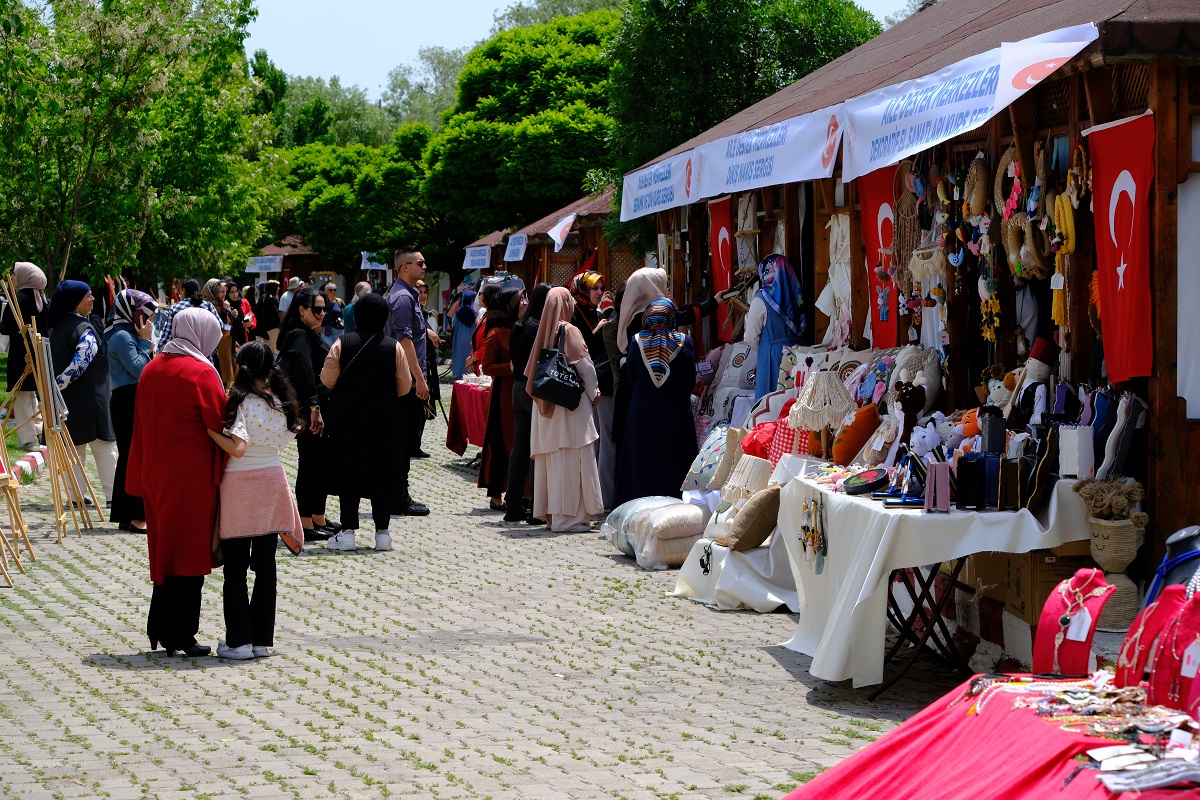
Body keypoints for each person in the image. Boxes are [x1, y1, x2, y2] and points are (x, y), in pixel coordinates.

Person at [128, 308, 227, 657]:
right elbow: (220, 421)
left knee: (165, 547)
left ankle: (161, 628)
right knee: (188, 551)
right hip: (191, 476)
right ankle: (181, 634)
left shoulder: (153, 366)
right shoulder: (201, 372)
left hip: (156, 473)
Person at [207, 341, 304, 660]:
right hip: (273, 481)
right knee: (266, 565)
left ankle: (238, 641)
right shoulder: (280, 400)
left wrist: (210, 432)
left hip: (240, 483)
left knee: (235, 567)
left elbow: (237, 448)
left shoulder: (240, 399)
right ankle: (261, 639)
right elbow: (288, 437)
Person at [320, 294, 412, 552]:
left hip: (347, 419)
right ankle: (382, 534)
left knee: (349, 470)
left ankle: (348, 532)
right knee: (381, 472)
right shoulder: (394, 346)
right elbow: (405, 387)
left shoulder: (342, 342)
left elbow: (327, 380)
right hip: (384, 419)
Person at [525, 287, 603, 532]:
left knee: (552, 464)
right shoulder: (569, 330)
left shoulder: (544, 331)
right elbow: (586, 368)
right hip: (569, 409)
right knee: (571, 462)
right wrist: (594, 392)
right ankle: (569, 520)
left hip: (546, 408)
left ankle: (553, 517)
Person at [614, 298, 698, 506]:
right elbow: (690, 378)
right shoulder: (683, 341)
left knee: (641, 458)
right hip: (676, 410)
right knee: (674, 457)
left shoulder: (636, 341)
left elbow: (632, 377)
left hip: (642, 409)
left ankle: (636, 505)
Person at [45, 281, 118, 508]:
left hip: (72, 400)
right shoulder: (82, 329)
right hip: (90, 398)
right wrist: (59, 384)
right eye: (88, 296)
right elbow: (82, 360)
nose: (93, 298)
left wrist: (55, 388)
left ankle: (76, 496)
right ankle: (113, 496)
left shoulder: (59, 327)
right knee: (104, 448)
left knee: (74, 448)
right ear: (76, 301)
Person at [276, 287, 340, 539]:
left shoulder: (309, 334)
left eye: (324, 308)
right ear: (302, 310)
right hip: (310, 410)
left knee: (320, 464)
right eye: (317, 309)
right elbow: (303, 375)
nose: (323, 313)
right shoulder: (299, 335)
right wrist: (314, 407)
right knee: (311, 465)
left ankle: (317, 517)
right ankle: (305, 523)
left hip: (319, 408)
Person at [101, 289, 156, 532]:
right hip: (126, 399)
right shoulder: (122, 336)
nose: (148, 320)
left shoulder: (127, 333)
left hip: (133, 398)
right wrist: (146, 341)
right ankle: (134, 516)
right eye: (144, 314)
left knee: (132, 456)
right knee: (132, 456)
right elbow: (139, 370)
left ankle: (128, 515)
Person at [384, 246, 431, 517]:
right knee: (402, 441)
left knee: (404, 440)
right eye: (420, 263)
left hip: (407, 379)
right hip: (405, 382)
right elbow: (404, 340)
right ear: (405, 267)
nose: (424, 267)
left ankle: (400, 494)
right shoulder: (402, 298)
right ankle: (398, 498)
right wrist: (419, 378)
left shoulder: (407, 296)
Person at [503, 283, 550, 525]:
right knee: (535, 449)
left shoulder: (518, 326)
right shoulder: (536, 328)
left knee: (520, 448)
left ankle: (513, 505)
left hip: (517, 387)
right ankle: (534, 506)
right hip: (532, 389)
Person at [569, 271, 616, 509]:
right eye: (594, 289)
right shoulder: (573, 312)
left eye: (601, 288)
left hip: (596, 382)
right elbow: (580, 347)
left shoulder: (596, 312)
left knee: (598, 440)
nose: (598, 293)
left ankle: (595, 494)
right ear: (582, 290)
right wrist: (599, 330)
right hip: (579, 384)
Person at [477, 287, 524, 510]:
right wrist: (511, 367)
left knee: (517, 442)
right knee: (500, 442)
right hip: (501, 395)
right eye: (519, 301)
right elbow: (486, 367)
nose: (523, 304)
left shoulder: (518, 329)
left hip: (516, 391)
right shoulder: (496, 334)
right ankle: (496, 494)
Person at [1, 262, 48, 452]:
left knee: (22, 395)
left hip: (21, 355)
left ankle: (29, 439)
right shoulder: (43, 299)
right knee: (31, 394)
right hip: (38, 353)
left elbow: (5, 326)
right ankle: (37, 432)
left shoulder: (17, 298)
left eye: (15, 273)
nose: (12, 276)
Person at [745, 253, 804, 401]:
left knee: (770, 401)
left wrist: (763, 351)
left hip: (771, 354)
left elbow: (750, 336)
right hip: (796, 353)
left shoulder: (762, 298)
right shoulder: (796, 297)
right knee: (790, 400)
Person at [414, 279, 441, 458]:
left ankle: (416, 444)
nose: (422, 295)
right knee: (415, 408)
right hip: (415, 366)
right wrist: (427, 332)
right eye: (419, 292)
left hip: (427, 366)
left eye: (424, 292)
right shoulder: (410, 313)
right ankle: (411, 444)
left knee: (423, 407)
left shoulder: (423, 313)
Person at [156, 278, 221, 351]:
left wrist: (160, 349)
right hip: (204, 354)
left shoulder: (175, 308)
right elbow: (219, 325)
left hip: (182, 352)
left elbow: (168, 333)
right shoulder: (208, 306)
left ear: (183, 290)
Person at [204, 279, 235, 384]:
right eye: (222, 291)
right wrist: (225, 310)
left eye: (225, 291)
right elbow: (216, 324)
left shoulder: (221, 304)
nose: (224, 294)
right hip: (215, 349)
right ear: (214, 291)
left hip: (226, 346)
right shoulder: (208, 306)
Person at [448, 285, 477, 379]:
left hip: (459, 339)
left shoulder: (459, 312)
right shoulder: (475, 312)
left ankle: (461, 377)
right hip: (471, 339)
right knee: (469, 360)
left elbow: (453, 322)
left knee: (460, 358)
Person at [253, 280, 280, 348]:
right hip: (272, 328)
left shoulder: (263, 297)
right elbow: (275, 313)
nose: (278, 288)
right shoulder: (272, 298)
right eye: (277, 287)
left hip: (263, 327)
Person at [226, 281, 253, 350]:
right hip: (231, 339)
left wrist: (250, 324)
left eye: (236, 291)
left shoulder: (244, 302)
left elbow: (252, 317)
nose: (235, 294)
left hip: (243, 337)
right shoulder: (225, 305)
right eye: (231, 292)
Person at [320, 283, 344, 347]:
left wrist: (342, 322)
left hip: (338, 328)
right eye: (330, 290)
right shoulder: (323, 302)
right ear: (326, 291)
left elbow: (344, 314)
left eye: (334, 290)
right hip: (326, 328)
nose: (333, 291)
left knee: (337, 348)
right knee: (327, 348)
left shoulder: (339, 301)